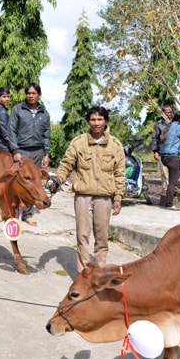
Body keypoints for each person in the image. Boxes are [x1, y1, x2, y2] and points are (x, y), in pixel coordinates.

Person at [48, 106, 125, 273]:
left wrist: (118, 197)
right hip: (82, 197)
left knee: (102, 238)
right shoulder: (78, 143)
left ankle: (98, 274)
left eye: (99, 119)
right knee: (82, 236)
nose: (96, 123)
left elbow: (119, 173)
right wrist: (57, 179)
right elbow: (66, 164)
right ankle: (83, 275)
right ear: (88, 121)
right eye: (93, 119)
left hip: (104, 198)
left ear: (105, 121)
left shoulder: (115, 145)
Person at [8, 83, 51, 226]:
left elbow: (46, 134)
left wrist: (46, 153)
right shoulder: (18, 110)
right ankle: (13, 215)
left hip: (37, 151)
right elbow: (11, 131)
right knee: (18, 182)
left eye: (34, 93)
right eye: (29, 93)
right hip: (22, 150)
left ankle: (27, 214)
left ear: (39, 95)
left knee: (35, 182)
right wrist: (15, 150)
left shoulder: (44, 113)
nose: (31, 96)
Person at [151, 105, 172, 192]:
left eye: (171, 111)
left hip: (172, 152)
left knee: (172, 172)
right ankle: (165, 189)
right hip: (161, 151)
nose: (170, 113)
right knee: (163, 172)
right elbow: (154, 138)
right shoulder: (158, 124)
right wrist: (155, 151)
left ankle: (171, 189)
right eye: (168, 112)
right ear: (163, 113)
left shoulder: (175, 123)